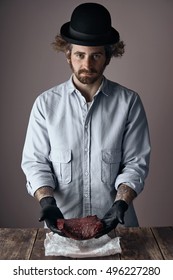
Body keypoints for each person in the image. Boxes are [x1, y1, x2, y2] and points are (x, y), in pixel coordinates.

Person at [21, 3, 151, 237]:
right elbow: (35, 162)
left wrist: (121, 203)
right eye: (80, 55)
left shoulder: (129, 102)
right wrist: (46, 202)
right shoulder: (45, 105)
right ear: (68, 54)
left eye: (96, 56)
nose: (87, 65)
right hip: (61, 228)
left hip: (117, 227)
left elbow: (136, 162)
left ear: (108, 57)